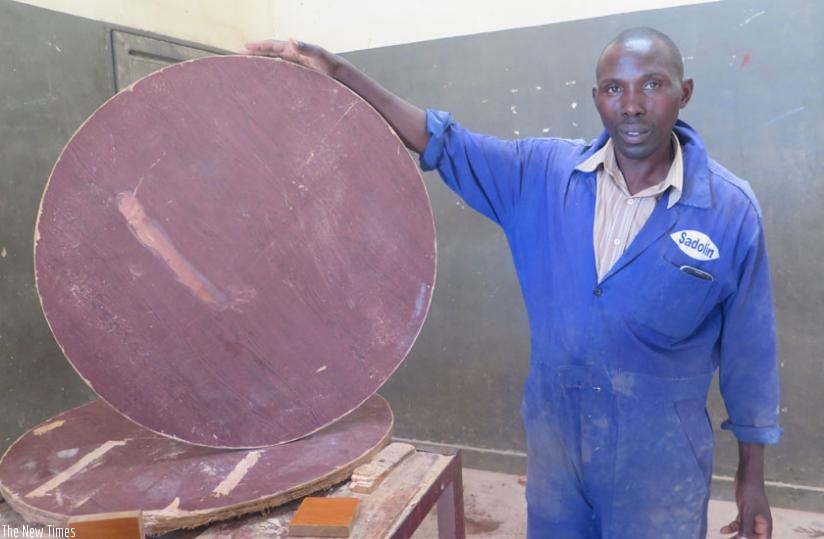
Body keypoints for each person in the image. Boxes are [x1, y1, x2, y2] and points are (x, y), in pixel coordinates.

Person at [244, 27, 781, 539]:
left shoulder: (729, 211)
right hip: (556, 454)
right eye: (615, 89)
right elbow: (441, 140)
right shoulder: (542, 177)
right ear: (597, 98)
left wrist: (751, 478)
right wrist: (337, 70)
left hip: (661, 464)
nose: (633, 105)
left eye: (653, 85)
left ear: (684, 93)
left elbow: (750, 355)